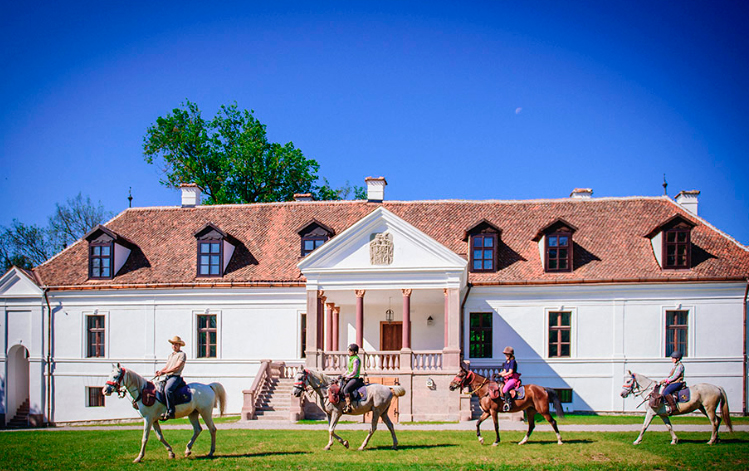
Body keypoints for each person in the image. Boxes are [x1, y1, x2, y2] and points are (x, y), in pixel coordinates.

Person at [155, 335, 187, 420]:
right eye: (173, 344)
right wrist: (160, 372)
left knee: (168, 390)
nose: (174, 346)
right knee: (158, 388)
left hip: (175, 377)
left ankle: (171, 411)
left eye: (176, 344)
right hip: (168, 376)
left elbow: (177, 367)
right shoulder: (170, 355)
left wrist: (164, 372)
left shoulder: (182, 354)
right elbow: (167, 367)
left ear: (180, 345)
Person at [660, 350, 685, 415]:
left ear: (677, 358)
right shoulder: (675, 366)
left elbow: (675, 376)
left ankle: (673, 407)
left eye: (673, 358)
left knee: (666, 392)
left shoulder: (680, 366)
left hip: (677, 382)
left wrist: (666, 380)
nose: (672, 359)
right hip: (673, 382)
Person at [341, 343, 364, 413]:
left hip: (355, 378)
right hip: (350, 377)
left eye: (350, 351)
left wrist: (347, 376)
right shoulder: (351, 359)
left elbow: (354, 371)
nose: (349, 352)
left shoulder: (356, 360)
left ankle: (348, 406)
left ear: (355, 352)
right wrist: (343, 375)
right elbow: (349, 370)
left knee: (346, 389)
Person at [496, 346, 520, 412]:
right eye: (505, 354)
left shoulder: (512, 361)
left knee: (505, 389)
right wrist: (498, 374)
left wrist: (503, 375)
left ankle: (509, 404)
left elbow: (510, 371)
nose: (506, 356)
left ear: (510, 355)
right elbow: (504, 371)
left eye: (507, 354)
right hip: (507, 379)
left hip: (513, 379)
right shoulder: (506, 362)